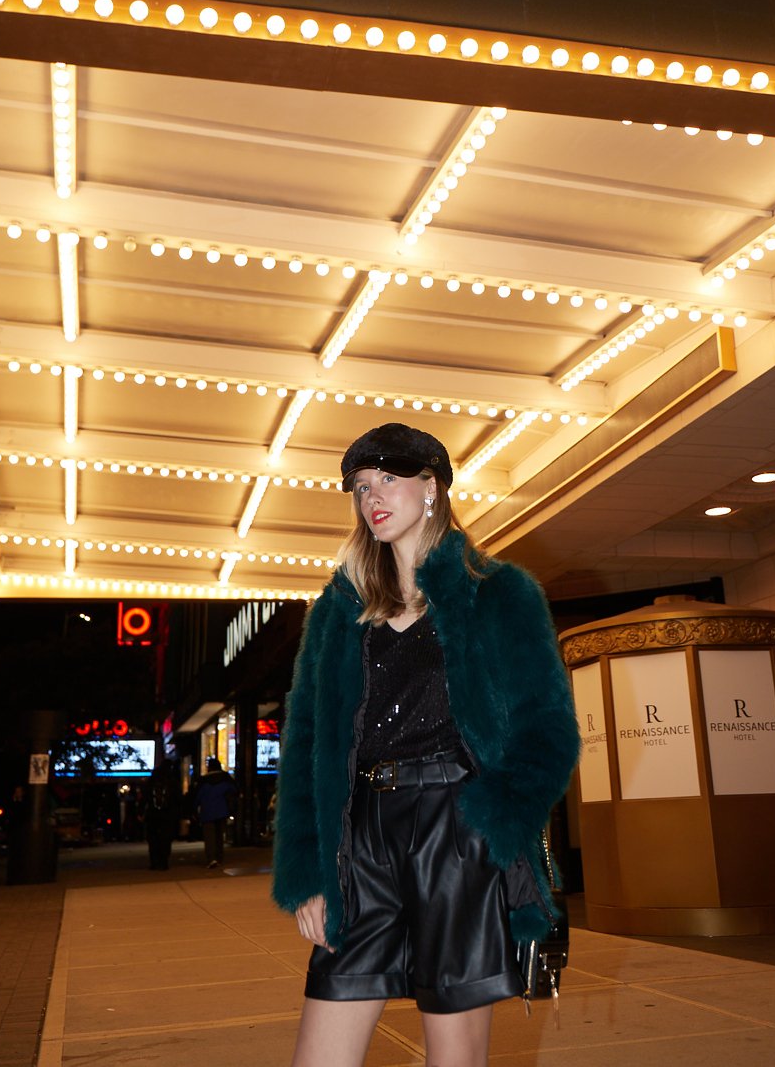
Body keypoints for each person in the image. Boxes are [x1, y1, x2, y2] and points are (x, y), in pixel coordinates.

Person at [272, 422, 580, 1067]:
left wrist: (495, 822)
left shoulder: (498, 593)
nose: (372, 498)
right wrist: (308, 875)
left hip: (455, 831)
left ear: (431, 487)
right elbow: (305, 748)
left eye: (389, 479)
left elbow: (548, 729)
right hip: (361, 837)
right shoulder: (339, 610)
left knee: (453, 1055)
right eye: (361, 486)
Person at [195, 756, 236, 870]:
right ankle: (219, 857)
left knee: (209, 837)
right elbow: (234, 792)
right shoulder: (226, 779)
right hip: (222, 811)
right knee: (219, 836)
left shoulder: (203, 781)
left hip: (207, 812)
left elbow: (197, 797)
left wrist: (195, 810)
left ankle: (211, 858)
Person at [142, 763, 179, 870]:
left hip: (153, 815)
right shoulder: (172, 782)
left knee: (153, 839)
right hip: (167, 815)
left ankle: (154, 862)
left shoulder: (151, 782)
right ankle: (164, 862)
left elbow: (145, 799)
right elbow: (177, 799)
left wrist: (141, 812)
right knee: (165, 839)